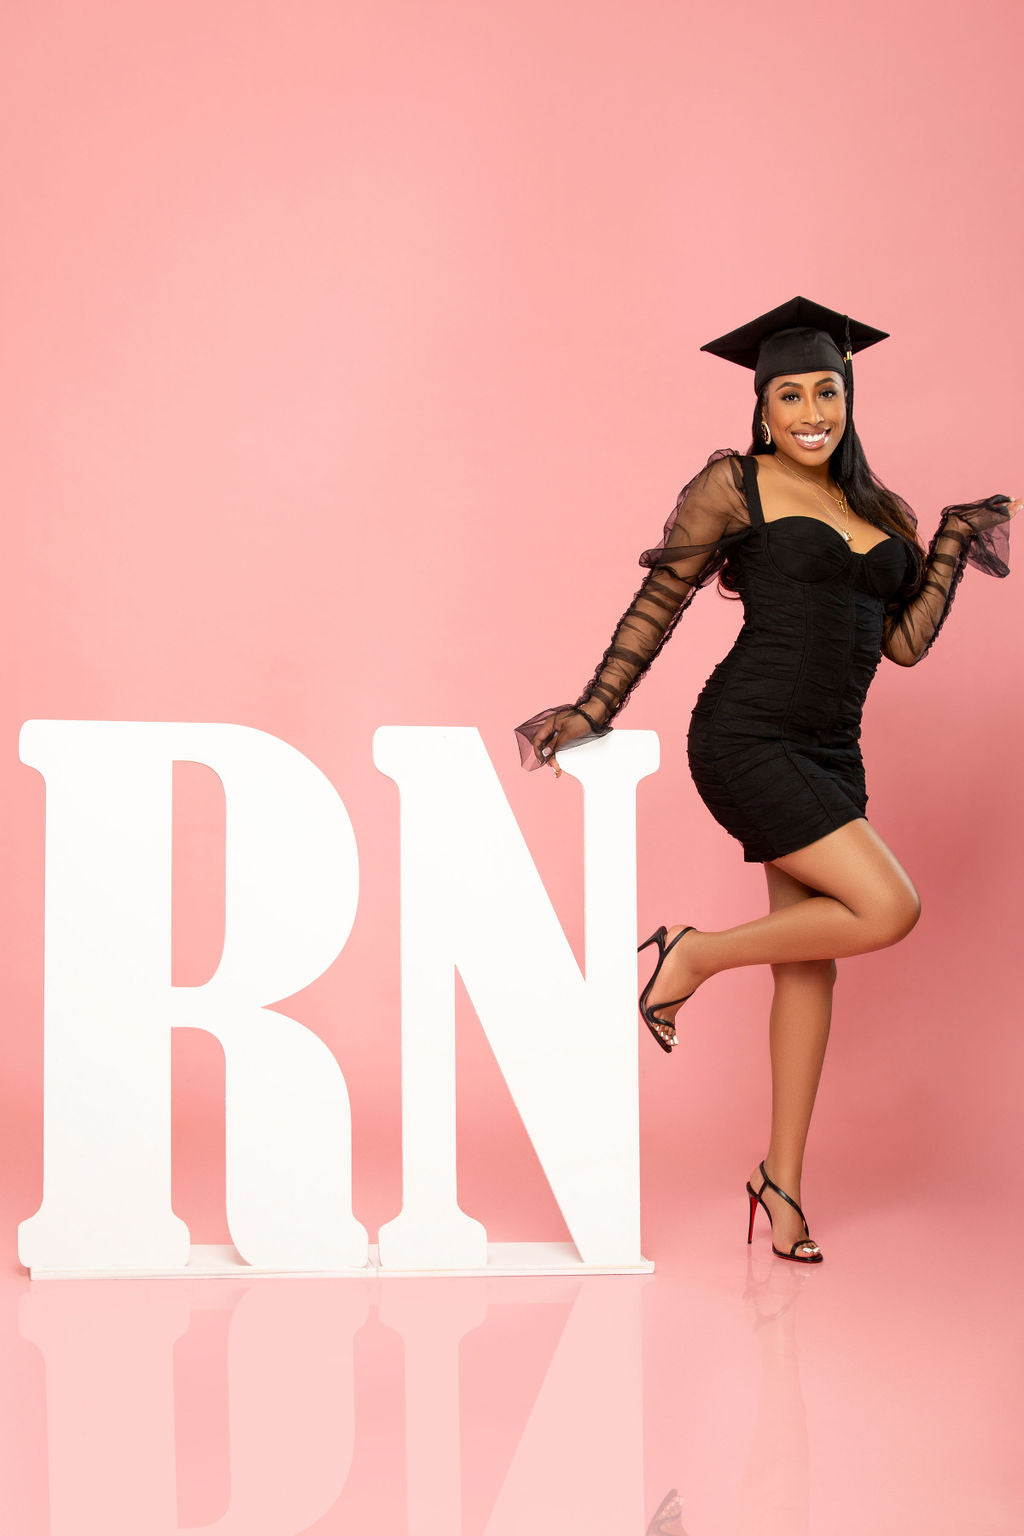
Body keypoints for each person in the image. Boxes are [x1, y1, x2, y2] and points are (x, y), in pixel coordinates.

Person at [514, 296, 1021, 1264]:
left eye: (825, 391)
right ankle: (691, 954)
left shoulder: (882, 512)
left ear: (847, 397)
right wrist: (595, 707)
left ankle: (779, 1182)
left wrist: (950, 540)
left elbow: (904, 643)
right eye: (788, 395)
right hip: (747, 735)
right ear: (762, 408)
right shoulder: (733, 484)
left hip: (834, 746)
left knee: (808, 960)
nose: (809, 411)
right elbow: (660, 597)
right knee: (886, 907)